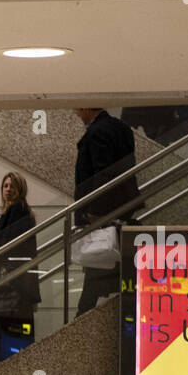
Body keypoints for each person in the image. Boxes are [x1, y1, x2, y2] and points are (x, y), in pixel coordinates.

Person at [73, 107, 142, 317]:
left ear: (87, 107)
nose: (76, 113)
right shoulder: (122, 128)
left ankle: (80, 325)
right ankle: (125, 316)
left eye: (77, 110)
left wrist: (94, 212)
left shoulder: (97, 132)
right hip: (124, 212)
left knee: (95, 274)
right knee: (119, 273)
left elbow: (103, 174)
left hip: (103, 216)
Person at [0, 171, 41, 367]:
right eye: (5, 186)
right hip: (17, 286)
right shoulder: (11, 212)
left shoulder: (18, 211)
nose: (8, 190)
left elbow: (4, 247)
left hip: (11, 285)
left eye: (12, 186)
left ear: (20, 189)